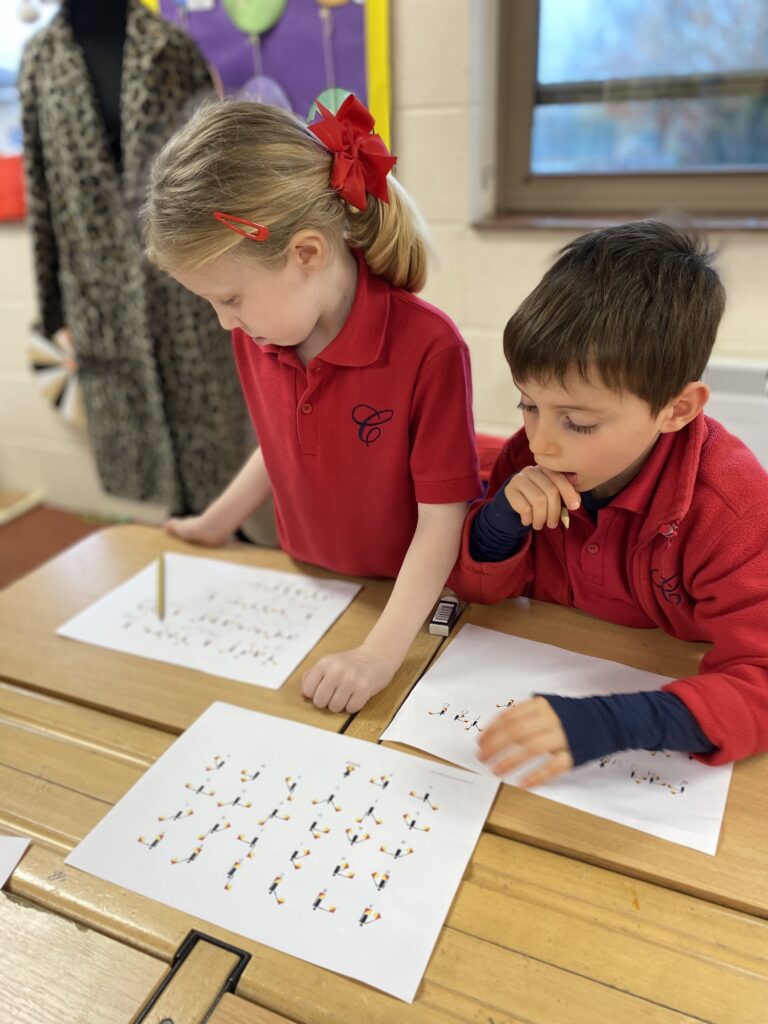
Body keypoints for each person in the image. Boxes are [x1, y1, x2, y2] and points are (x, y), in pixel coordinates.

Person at [142, 95, 480, 713]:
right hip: (308, 588)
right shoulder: (266, 333)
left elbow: (443, 520)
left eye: (232, 298)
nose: (225, 324)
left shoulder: (430, 347)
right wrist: (215, 523)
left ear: (305, 253)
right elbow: (281, 444)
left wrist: (378, 656)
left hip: (399, 605)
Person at [448, 221, 768, 787]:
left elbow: (760, 681)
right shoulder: (531, 453)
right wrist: (497, 525)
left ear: (677, 409)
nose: (541, 440)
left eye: (578, 422)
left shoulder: (734, 506)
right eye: (528, 404)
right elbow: (479, 592)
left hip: (653, 697)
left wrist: (618, 721)